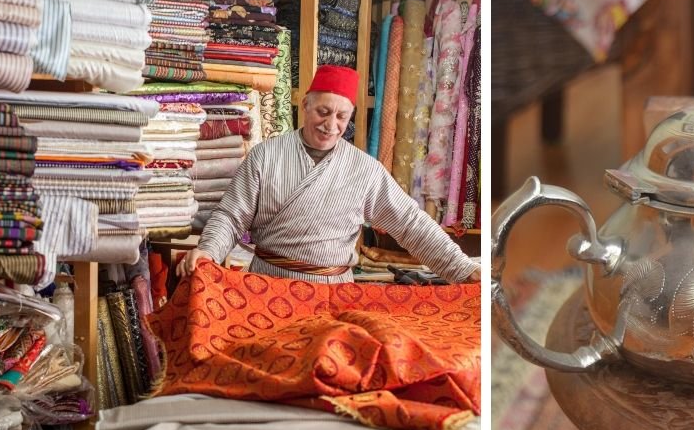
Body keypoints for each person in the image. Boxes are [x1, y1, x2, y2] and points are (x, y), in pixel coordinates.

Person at [183, 65, 481, 284]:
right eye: (323, 112)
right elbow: (230, 217)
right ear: (305, 105)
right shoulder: (265, 155)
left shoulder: (365, 169)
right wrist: (207, 251)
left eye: (341, 117)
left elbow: (411, 225)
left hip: (334, 292)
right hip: (268, 287)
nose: (331, 125)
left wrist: (462, 268)